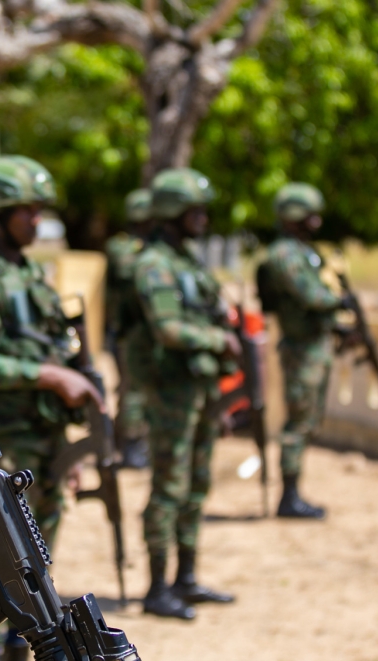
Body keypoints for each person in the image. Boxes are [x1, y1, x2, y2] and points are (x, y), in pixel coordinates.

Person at [0, 155, 103, 661]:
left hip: (46, 443)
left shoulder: (29, 273)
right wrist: (50, 376)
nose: (37, 222)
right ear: (1, 212)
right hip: (3, 446)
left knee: (40, 571)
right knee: (2, 574)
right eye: (28, 211)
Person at [131, 168, 237, 620]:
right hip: (171, 390)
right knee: (169, 486)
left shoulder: (189, 261)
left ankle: (186, 578)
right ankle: (157, 587)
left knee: (197, 483)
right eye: (194, 209)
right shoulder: (154, 263)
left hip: (201, 388)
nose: (202, 217)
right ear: (172, 212)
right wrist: (219, 341)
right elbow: (168, 328)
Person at [257, 183, 344, 519]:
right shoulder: (284, 255)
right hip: (300, 348)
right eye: (309, 215)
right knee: (297, 422)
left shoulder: (306, 252)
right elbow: (311, 296)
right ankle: (288, 497)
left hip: (315, 345)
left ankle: (294, 493)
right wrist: (337, 302)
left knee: (310, 420)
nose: (316, 222)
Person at [106, 188, 152, 468]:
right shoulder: (122, 246)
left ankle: (136, 440)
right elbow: (127, 270)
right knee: (131, 389)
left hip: (145, 332)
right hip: (126, 332)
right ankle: (130, 445)